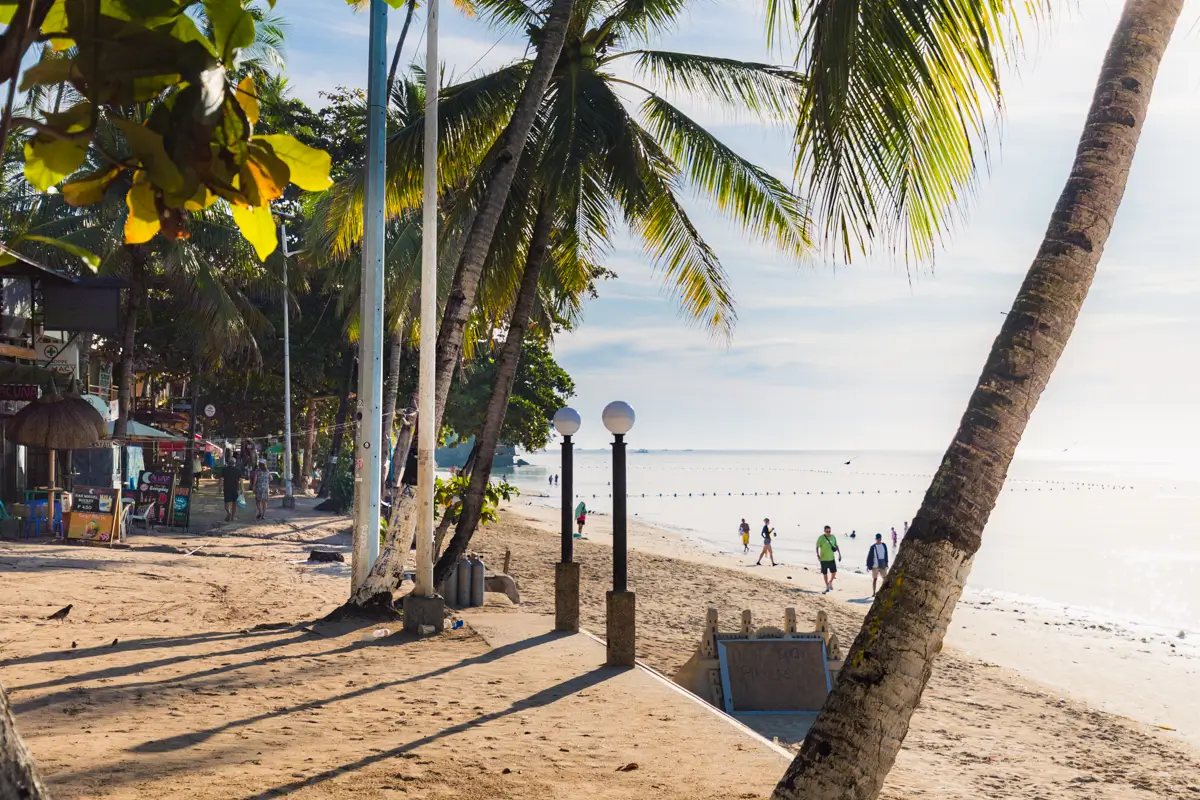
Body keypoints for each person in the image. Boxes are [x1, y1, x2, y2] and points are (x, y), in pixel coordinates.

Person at [816, 525, 841, 593]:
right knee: (825, 574)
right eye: (827, 531)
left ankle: (830, 582)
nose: (828, 533)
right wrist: (818, 555)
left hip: (831, 558)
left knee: (834, 572)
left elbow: (836, 545)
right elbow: (817, 547)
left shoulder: (833, 537)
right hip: (823, 559)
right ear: (824, 531)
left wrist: (839, 555)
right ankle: (827, 586)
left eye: (829, 531)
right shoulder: (821, 538)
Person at [222, 452, 243, 522]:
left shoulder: (224, 469)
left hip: (227, 488)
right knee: (234, 503)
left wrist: (219, 488)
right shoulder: (238, 470)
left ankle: (228, 512)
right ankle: (233, 517)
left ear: (228, 463)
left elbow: (221, 479)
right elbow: (241, 480)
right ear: (235, 463)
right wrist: (242, 489)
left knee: (226, 503)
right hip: (235, 489)